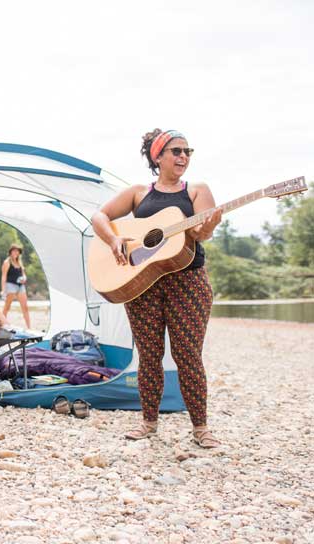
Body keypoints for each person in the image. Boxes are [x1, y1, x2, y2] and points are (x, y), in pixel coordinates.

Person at [90, 129, 223, 448]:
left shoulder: (197, 191)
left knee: (188, 354)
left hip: (187, 282)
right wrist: (114, 239)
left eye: (188, 151)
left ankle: (201, 428)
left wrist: (210, 224)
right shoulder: (138, 193)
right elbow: (100, 215)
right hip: (142, 283)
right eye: (176, 151)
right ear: (157, 156)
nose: (183, 157)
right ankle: (149, 422)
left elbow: (202, 236)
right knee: (149, 355)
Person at [0, 243, 31, 328]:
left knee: (25, 307)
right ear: (10, 252)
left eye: (17, 251)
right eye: (14, 251)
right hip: (10, 285)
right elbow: (3, 276)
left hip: (20, 286)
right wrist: (3, 290)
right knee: (7, 307)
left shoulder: (19, 262)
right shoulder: (7, 262)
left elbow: (24, 274)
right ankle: (1, 325)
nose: (16, 253)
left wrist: (24, 278)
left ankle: (29, 327)